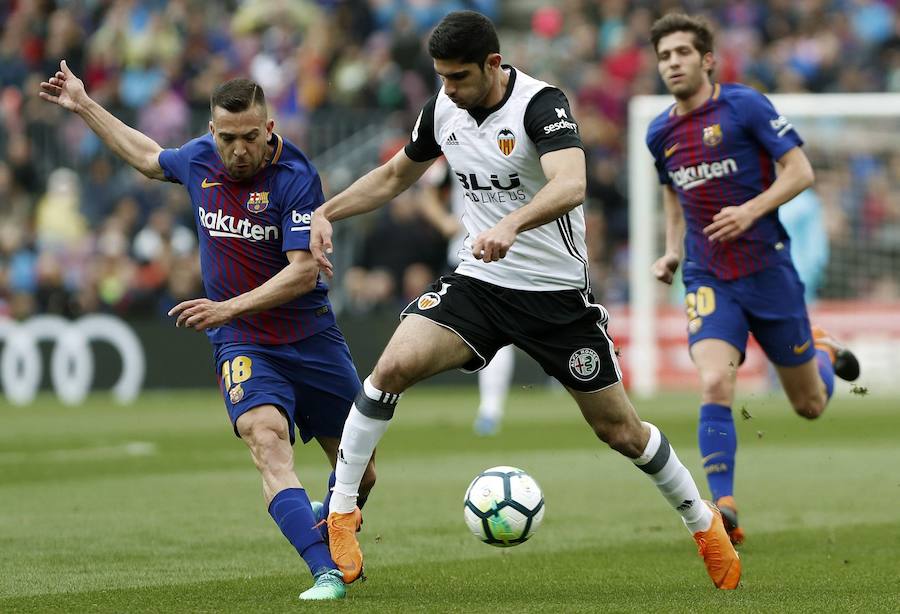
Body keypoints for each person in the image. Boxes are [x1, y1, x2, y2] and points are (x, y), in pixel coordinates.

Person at [311, 11, 741, 590]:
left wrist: (512, 224)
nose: (450, 90)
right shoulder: (443, 108)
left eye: (459, 77)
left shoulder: (542, 105)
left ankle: (702, 521)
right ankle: (341, 513)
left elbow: (571, 184)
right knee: (391, 368)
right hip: (479, 286)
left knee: (621, 431)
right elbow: (393, 177)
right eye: (441, 77)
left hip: (555, 297)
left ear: (493, 64)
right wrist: (324, 212)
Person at [39, 63, 376, 601]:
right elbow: (148, 157)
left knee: (361, 474)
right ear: (211, 131)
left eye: (248, 137)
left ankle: (330, 515)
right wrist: (82, 104)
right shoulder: (198, 158)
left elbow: (302, 270)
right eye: (226, 138)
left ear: (268, 130)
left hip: (309, 335)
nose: (237, 149)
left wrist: (225, 308)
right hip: (244, 342)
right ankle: (325, 572)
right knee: (266, 442)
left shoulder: (295, 176)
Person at [646, 13, 860, 546]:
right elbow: (672, 192)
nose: (672, 63)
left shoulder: (745, 106)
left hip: (767, 270)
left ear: (707, 59)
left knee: (809, 406)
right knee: (715, 380)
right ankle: (724, 506)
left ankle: (822, 351)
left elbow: (801, 172)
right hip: (708, 275)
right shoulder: (660, 132)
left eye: (681, 53)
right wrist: (672, 251)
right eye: (664, 55)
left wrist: (750, 210)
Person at [418, 157, 516, 437]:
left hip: (511, 257)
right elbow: (426, 193)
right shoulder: (454, 147)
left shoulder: (518, 139)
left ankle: (490, 410)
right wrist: (444, 221)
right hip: (464, 256)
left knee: (502, 335)